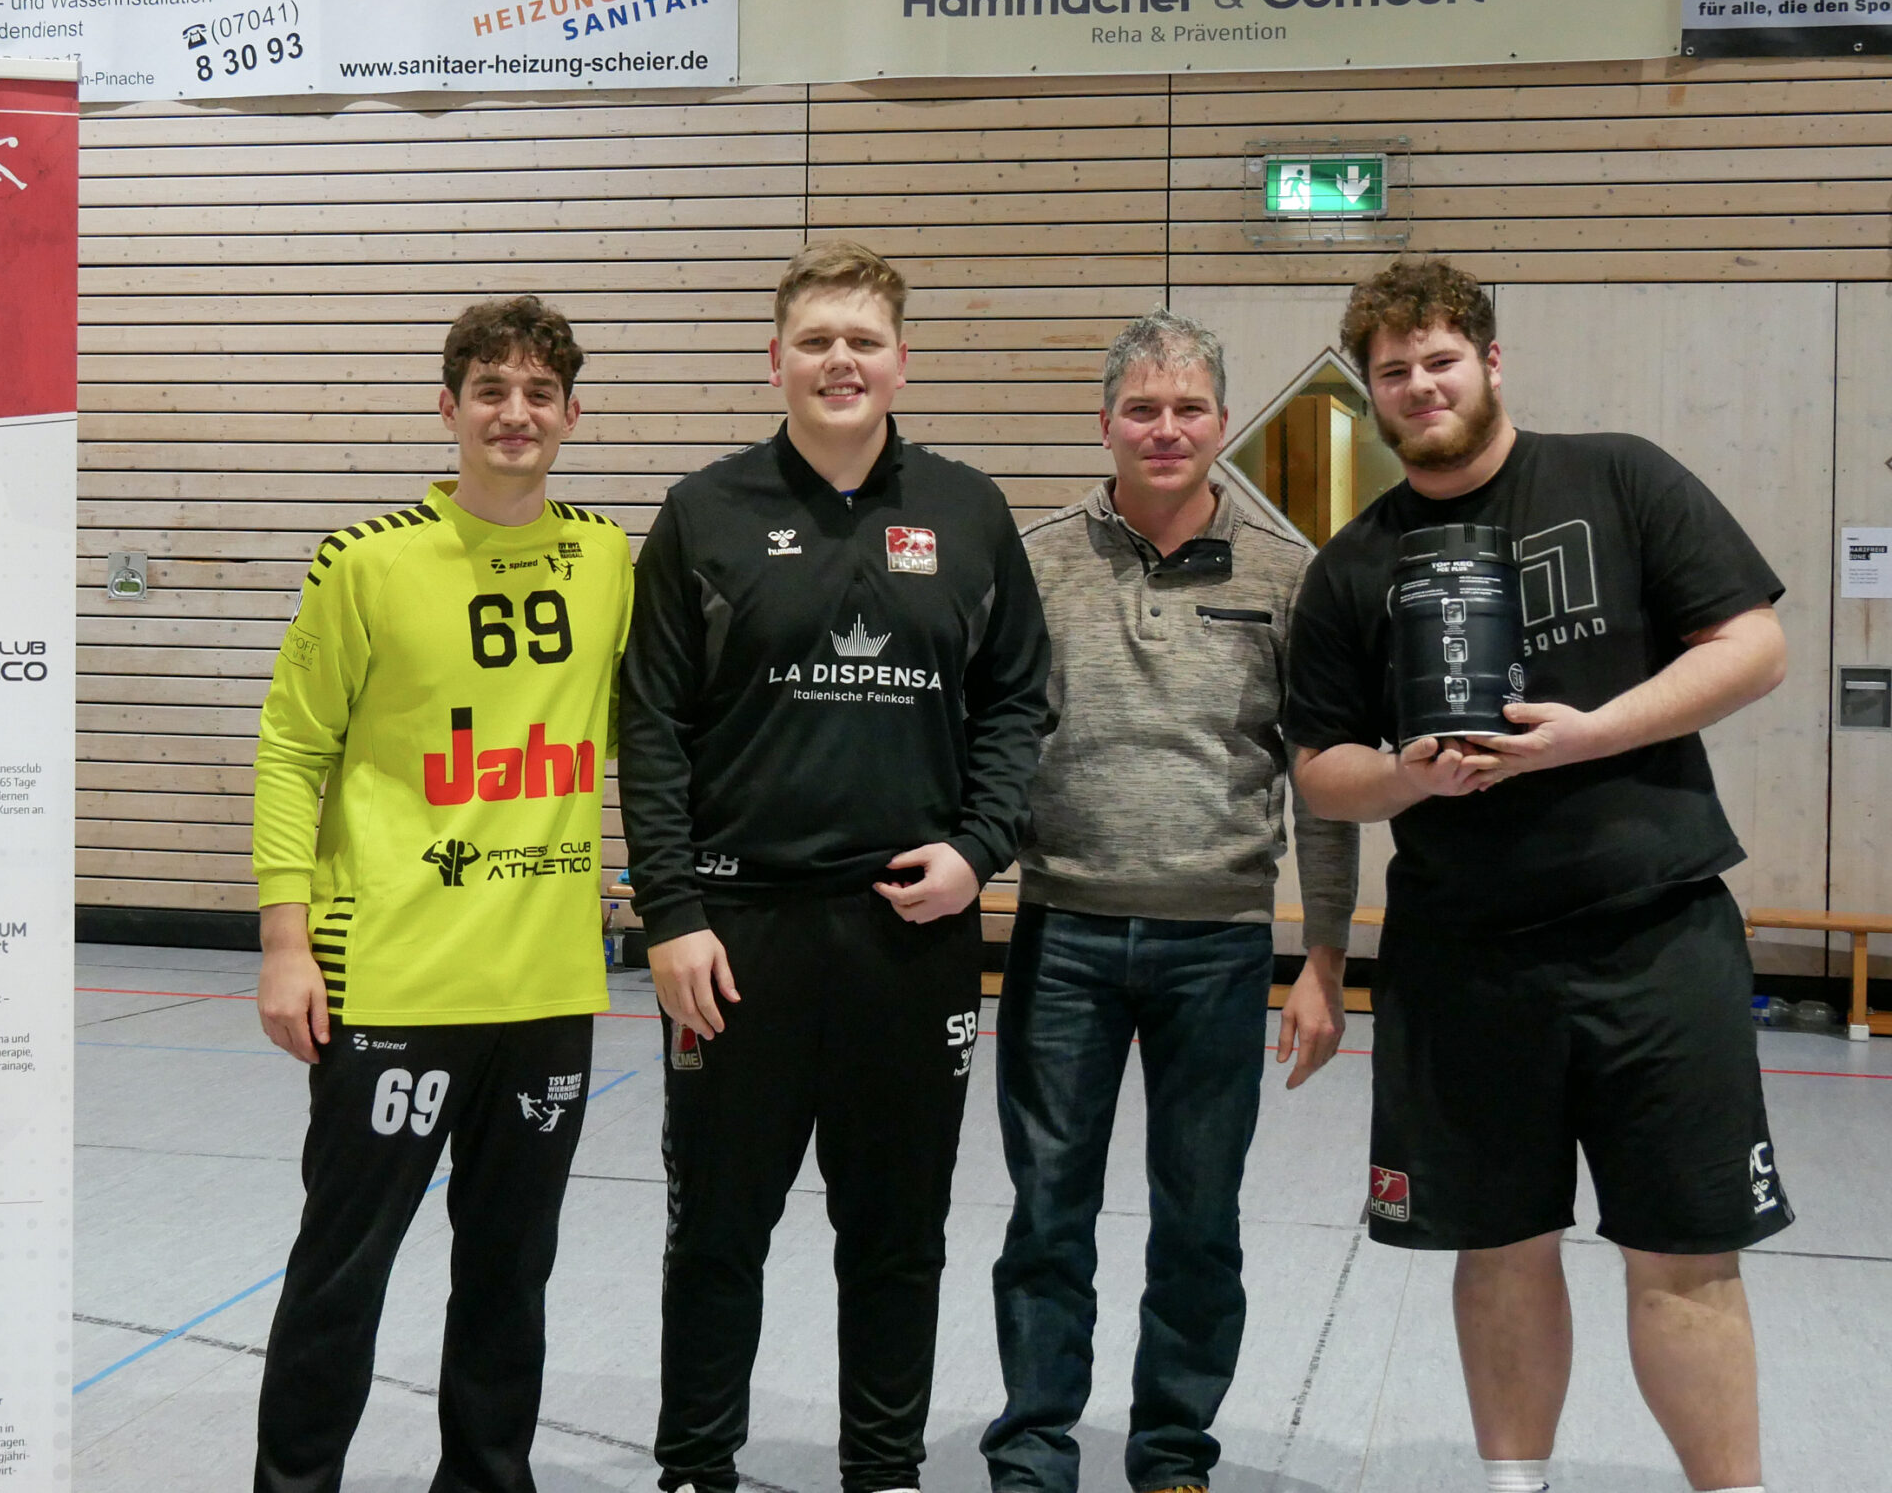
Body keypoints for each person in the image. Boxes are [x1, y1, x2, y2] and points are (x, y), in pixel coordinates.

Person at [1285, 256, 1790, 1493]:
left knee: (1685, 1253)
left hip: (1655, 936)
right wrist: (1408, 778)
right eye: (1393, 372)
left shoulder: (1617, 476)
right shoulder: (1350, 566)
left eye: (1440, 360)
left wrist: (1590, 733)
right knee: (1499, 1246)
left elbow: (1753, 645)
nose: (1420, 386)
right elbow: (1321, 772)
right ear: (1368, 393)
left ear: (1491, 362)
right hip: (1466, 961)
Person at [620, 239, 1055, 1493]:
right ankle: (695, 1470)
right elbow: (650, 722)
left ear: (901, 361)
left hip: (907, 937)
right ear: (775, 360)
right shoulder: (704, 512)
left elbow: (1018, 700)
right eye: (815, 341)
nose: (840, 361)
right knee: (716, 1231)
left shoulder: (967, 512)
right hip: (734, 939)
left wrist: (978, 849)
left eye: (863, 340)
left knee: (897, 1234)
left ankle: (883, 1470)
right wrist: (671, 913)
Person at [248, 296, 633, 1493]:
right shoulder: (366, 559)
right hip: (395, 980)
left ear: (571, 413)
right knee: (341, 1272)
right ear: (449, 407)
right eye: (490, 391)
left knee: (511, 1274)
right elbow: (291, 750)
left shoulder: (611, 561)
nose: (515, 413)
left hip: (546, 986)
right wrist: (284, 943)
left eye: (538, 393)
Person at [985, 310, 1359, 1493]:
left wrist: (1324, 960)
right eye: (1141, 408)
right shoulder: (1032, 562)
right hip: (1061, 933)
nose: (1164, 428)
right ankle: (1033, 1449)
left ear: (1221, 423)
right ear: (1104, 423)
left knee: (1199, 1217)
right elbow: (990, 744)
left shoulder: (1286, 574)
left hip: (1220, 945)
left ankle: (1172, 1453)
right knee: (1046, 1213)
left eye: (1187, 408)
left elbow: (1324, 787)